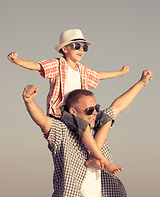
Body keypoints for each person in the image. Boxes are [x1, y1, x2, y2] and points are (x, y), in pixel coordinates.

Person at [22, 70, 153, 197]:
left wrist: (141, 83)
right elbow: (42, 121)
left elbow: (118, 106)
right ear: (73, 112)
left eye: (96, 108)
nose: (94, 113)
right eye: (89, 110)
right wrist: (29, 101)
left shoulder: (97, 127)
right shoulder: (62, 132)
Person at [8, 29, 129, 175]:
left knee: (106, 119)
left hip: (80, 112)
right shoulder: (57, 65)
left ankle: (92, 157)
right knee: (84, 127)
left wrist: (120, 73)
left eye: (84, 47)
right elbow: (36, 66)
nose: (81, 50)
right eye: (77, 46)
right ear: (65, 49)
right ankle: (103, 159)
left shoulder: (82, 70)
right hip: (62, 111)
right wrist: (17, 61)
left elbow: (100, 75)